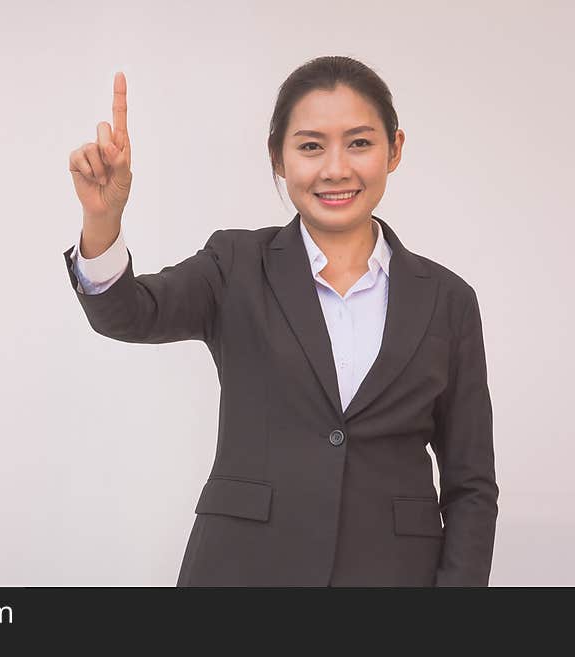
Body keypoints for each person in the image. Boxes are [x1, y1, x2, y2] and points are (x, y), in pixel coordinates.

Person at [62, 56, 499, 587]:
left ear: (395, 150)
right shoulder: (234, 264)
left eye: (359, 143)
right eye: (311, 146)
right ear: (278, 157)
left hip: (393, 573)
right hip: (244, 569)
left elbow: (471, 484)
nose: (336, 168)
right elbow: (129, 313)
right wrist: (103, 221)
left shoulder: (448, 299)